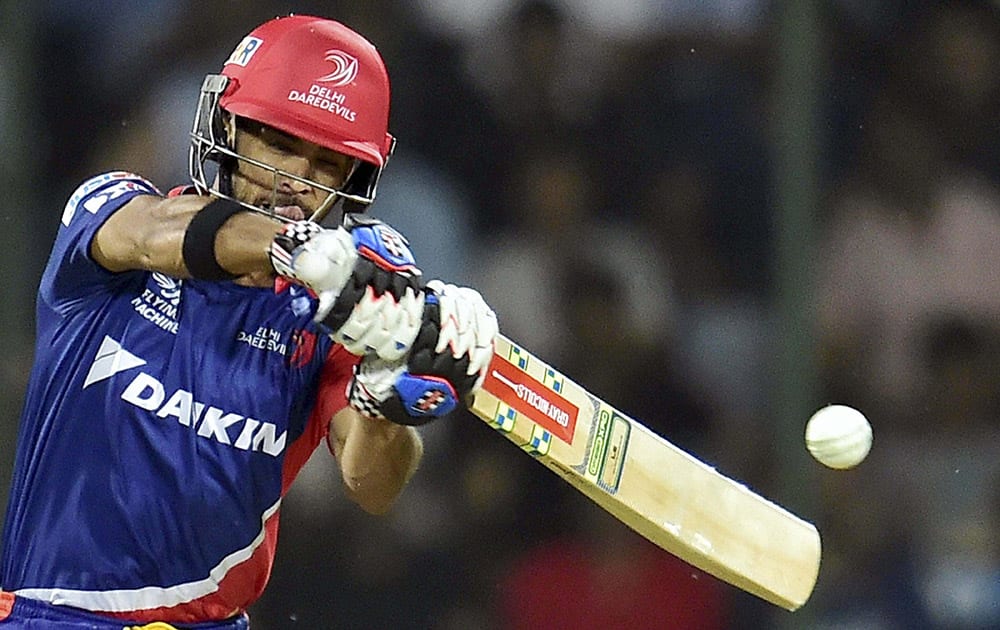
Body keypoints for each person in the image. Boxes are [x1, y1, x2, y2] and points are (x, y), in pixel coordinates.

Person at [0, 14, 497, 629]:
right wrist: (305, 253)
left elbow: (373, 486)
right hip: (54, 615)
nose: (298, 182)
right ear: (227, 124)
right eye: (281, 145)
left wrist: (388, 398)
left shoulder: (329, 313)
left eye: (327, 164)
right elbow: (156, 235)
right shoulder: (112, 210)